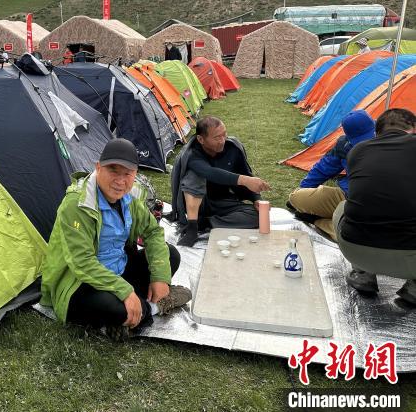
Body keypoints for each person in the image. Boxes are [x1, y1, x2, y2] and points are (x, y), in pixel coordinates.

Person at [40, 138, 192, 341]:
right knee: (116, 309)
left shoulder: (130, 198)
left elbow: (153, 232)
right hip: (78, 282)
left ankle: (129, 314)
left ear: (135, 174)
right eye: (113, 170)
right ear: (98, 168)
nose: (120, 181)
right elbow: (81, 262)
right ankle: (154, 307)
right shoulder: (77, 204)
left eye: (127, 173)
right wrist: (125, 291)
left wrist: (160, 278)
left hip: (118, 270)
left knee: (170, 255)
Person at [334, 108, 416, 304]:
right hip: (409, 259)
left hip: (355, 250)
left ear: (377, 132)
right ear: (413, 129)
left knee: (342, 207)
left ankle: (363, 274)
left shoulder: (357, 151)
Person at [170, 116, 271, 247]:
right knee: (194, 176)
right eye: (217, 137)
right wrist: (245, 180)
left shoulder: (233, 149)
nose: (223, 140)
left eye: (224, 134)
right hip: (198, 204)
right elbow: (209, 172)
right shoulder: (191, 154)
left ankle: (206, 223)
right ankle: (192, 228)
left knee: (258, 216)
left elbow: (245, 174)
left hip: (222, 202)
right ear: (201, 139)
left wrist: (256, 199)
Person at [287, 110, 375, 239]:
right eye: (359, 140)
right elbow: (323, 168)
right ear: (349, 137)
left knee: (356, 235)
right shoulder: (344, 146)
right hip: (347, 195)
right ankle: (337, 220)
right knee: (296, 197)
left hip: (376, 203)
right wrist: (304, 188)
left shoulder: (391, 142)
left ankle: (320, 221)